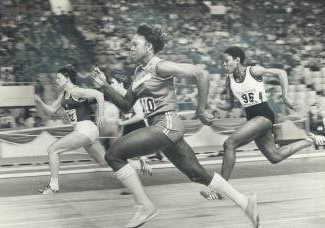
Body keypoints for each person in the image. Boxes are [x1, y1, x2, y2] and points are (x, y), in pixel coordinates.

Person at [92, 24, 259, 228]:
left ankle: (145, 206)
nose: (131, 48)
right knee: (197, 174)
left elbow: (201, 74)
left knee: (113, 154)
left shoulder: (160, 66)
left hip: (166, 125)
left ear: (149, 47)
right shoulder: (138, 73)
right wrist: (106, 86)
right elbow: (126, 106)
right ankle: (245, 202)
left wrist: (199, 110)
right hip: (161, 129)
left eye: (135, 44)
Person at [200, 46, 320, 200]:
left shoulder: (253, 71)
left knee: (229, 144)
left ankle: (220, 190)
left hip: (264, 115)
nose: (224, 65)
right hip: (253, 119)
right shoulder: (228, 80)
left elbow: (281, 73)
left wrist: (285, 97)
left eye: (226, 61)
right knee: (274, 157)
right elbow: (229, 105)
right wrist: (214, 103)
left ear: (237, 60)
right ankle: (309, 140)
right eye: (222, 62)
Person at [35, 64, 107, 194]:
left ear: (67, 78)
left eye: (58, 78)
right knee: (105, 161)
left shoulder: (75, 91)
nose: (56, 81)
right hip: (85, 131)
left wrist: (101, 114)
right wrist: (39, 100)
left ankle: (53, 186)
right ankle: (133, 164)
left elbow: (99, 95)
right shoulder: (63, 95)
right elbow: (51, 111)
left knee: (52, 150)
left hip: (85, 128)